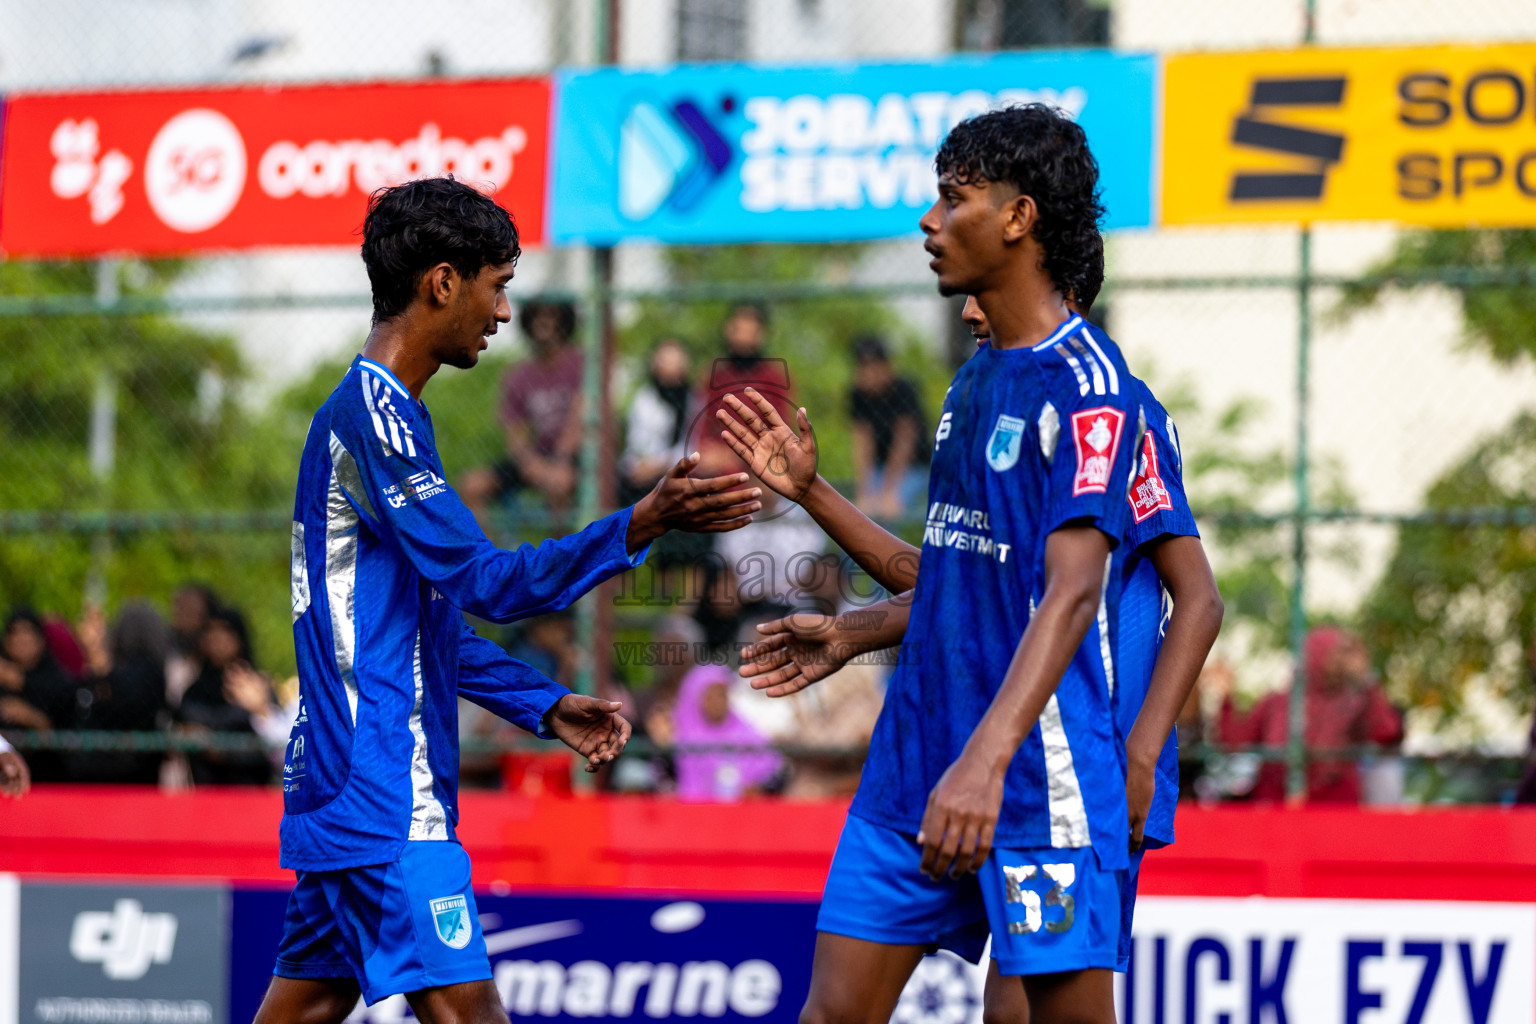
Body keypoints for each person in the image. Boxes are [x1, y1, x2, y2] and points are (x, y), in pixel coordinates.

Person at [254, 176, 761, 1024]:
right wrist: (638, 522)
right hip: (385, 789)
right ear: (442, 282)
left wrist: (544, 703)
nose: (501, 315)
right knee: (471, 1013)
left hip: (345, 781)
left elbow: (425, 630)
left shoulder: (376, 416)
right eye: (497, 288)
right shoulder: (376, 418)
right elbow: (489, 584)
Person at [719, 105, 1141, 1024]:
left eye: (952, 200)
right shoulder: (973, 380)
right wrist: (821, 519)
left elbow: (1071, 598)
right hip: (912, 769)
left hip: (1031, 782)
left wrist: (986, 764)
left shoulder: (1093, 394)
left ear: (1019, 217)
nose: (929, 221)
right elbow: (959, 576)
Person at [1216, 625, 1402, 803]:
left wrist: (1366, 679)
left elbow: (1386, 733)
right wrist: (1225, 696)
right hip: (1276, 806)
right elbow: (1234, 740)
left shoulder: (1354, 702)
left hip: (1334, 809)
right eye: (1336, 653)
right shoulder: (1278, 701)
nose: (1340, 661)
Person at [459, 298, 585, 520]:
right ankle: (492, 554)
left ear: (564, 321)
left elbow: (579, 420)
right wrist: (531, 464)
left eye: (551, 316)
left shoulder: (580, 363)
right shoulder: (519, 374)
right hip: (535, 456)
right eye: (537, 316)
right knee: (472, 485)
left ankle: (561, 553)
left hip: (576, 456)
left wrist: (560, 461)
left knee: (559, 485)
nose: (543, 322)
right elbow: (515, 434)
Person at [73, 601, 170, 784]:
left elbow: (125, 699)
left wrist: (96, 652)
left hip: (126, 764)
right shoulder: (153, 668)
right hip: (127, 764)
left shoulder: (140, 669)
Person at [177, 607, 275, 786]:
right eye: (210, 632)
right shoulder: (195, 691)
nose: (217, 639)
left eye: (224, 632)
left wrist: (261, 708)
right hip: (207, 789)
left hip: (252, 788)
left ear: (239, 637)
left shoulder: (256, 685)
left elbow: (274, 740)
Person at [671, 663, 783, 801]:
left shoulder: (744, 729)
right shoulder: (678, 733)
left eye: (722, 695)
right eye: (709, 696)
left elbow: (771, 763)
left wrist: (754, 786)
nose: (718, 702)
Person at [848, 335, 930, 520]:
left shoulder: (903, 389)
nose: (869, 372)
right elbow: (863, 443)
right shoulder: (858, 394)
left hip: (913, 467)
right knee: (859, 512)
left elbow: (904, 443)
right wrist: (863, 491)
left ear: (887, 365)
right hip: (878, 467)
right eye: (863, 366)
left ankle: (893, 549)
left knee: (888, 509)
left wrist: (888, 491)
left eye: (874, 365)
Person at [0, 607, 77, 783]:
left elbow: (64, 721)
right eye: (15, 633)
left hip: (49, 778)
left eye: (28, 633)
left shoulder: (55, 679)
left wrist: (30, 716)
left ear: (40, 640)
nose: (21, 640)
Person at [620, 339, 696, 505]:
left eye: (675, 362)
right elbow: (635, 444)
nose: (669, 369)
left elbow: (692, 445)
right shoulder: (643, 399)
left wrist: (660, 465)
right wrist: (640, 467)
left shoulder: (693, 401)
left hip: (682, 473)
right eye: (665, 361)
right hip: (642, 477)